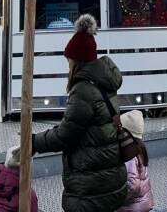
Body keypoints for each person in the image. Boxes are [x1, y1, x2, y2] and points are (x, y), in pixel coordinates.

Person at [17, 14, 127, 212]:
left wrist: (33, 142)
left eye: (70, 61)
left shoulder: (83, 90)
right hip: (111, 177)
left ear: (78, 61)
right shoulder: (105, 83)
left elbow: (67, 134)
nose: (68, 65)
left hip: (91, 185)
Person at [117, 110, 153, 212]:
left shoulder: (130, 155)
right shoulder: (140, 148)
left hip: (131, 207)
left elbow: (132, 185)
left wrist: (116, 199)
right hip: (143, 203)